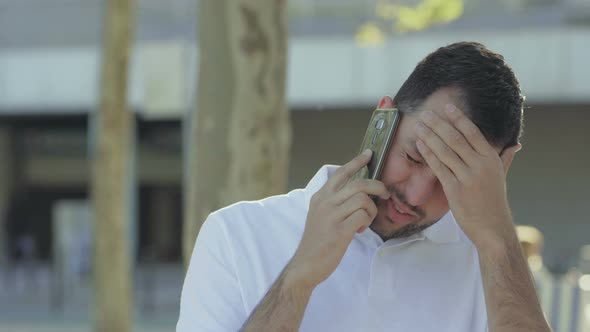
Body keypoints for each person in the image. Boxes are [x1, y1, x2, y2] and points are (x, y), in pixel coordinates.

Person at [177, 42, 551, 332]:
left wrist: (499, 242)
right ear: (383, 116)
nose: (418, 194)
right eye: (414, 158)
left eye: (450, 178)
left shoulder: (492, 269)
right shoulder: (236, 234)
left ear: (501, 169)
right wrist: (297, 280)